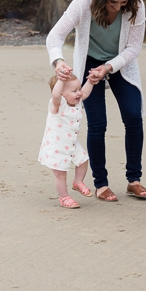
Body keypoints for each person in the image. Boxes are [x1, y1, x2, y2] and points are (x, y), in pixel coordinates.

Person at [45, 0, 146, 203]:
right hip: (88, 64)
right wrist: (59, 61)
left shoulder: (136, 5)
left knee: (134, 117)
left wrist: (109, 67)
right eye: (113, 2)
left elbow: (133, 48)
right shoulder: (84, 1)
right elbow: (55, 36)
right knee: (97, 124)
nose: (118, 7)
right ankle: (101, 184)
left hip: (120, 64)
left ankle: (134, 180)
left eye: (123, 2)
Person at [38, 73, 98, 209]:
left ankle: (78, 182)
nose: (78, 93)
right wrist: (61, 80)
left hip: (71, 143)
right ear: (62, 93)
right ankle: (64, 197)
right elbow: (55, 95)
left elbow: (85, 93)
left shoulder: (77, 102)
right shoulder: (58, 104)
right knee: (61, 174)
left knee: (83, 160)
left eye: (78, 89)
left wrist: (90, 81)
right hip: (56, 146)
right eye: (74, 91)